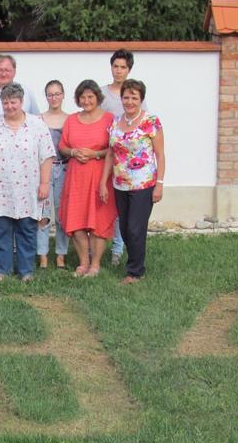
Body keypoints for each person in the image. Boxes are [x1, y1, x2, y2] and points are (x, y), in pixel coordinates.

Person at [0, 83, 54, 282]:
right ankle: (3, 269)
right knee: (0, 230)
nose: (9, 106)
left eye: (13, 102)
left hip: (29, 188)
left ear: (21, 102)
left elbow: (47, 156)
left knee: (27, 230)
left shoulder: (37, 124)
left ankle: (26, 271)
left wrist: (45, 183)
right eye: (6, 102)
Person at [101, 79, 166, 284]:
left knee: (135, 229)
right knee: (124, 229)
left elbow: (160, 155)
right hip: (120, 184)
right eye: (126, 97)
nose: (129, 101)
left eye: (134, 97)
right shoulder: (115, 122)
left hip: (144, 185)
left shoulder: (151, 122)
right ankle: (136, 262)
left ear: (141, 99)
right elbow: (110, 154)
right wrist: (104, 181)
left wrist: (160, 183)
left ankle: (135, 272)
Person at [58, 79, 117, 277]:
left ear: (97, 98)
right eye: (82, 97)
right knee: (76, 222)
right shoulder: (72, 120)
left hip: (100, 176)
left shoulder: (110, 119)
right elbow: (63, 146)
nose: (86, 100)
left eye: (90, 96)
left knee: (98, 222)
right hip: (76, 178)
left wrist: (95, 154)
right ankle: (83, 263)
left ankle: (95, 265)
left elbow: (114, 148)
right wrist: (73, 152)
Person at [100, 49, 136, 266]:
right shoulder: (102, 94)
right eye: (116, 66)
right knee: (105, 202)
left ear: (129, 69)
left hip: (126, 163)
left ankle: (118, 248)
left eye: (123, 67)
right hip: (104, 156)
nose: (119, 70)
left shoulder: (133, 93)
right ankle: (100, 243)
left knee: (123, 207)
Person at [37, 80, 70, 270]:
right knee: (43, 215)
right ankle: (42, 256)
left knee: (62, 215)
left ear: (63, 95)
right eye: (50, 94)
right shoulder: (39, 119)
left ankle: (61, 255)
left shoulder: (70, 119)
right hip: (44, 171)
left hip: (65, 169)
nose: (54, 97)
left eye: (57, 93)